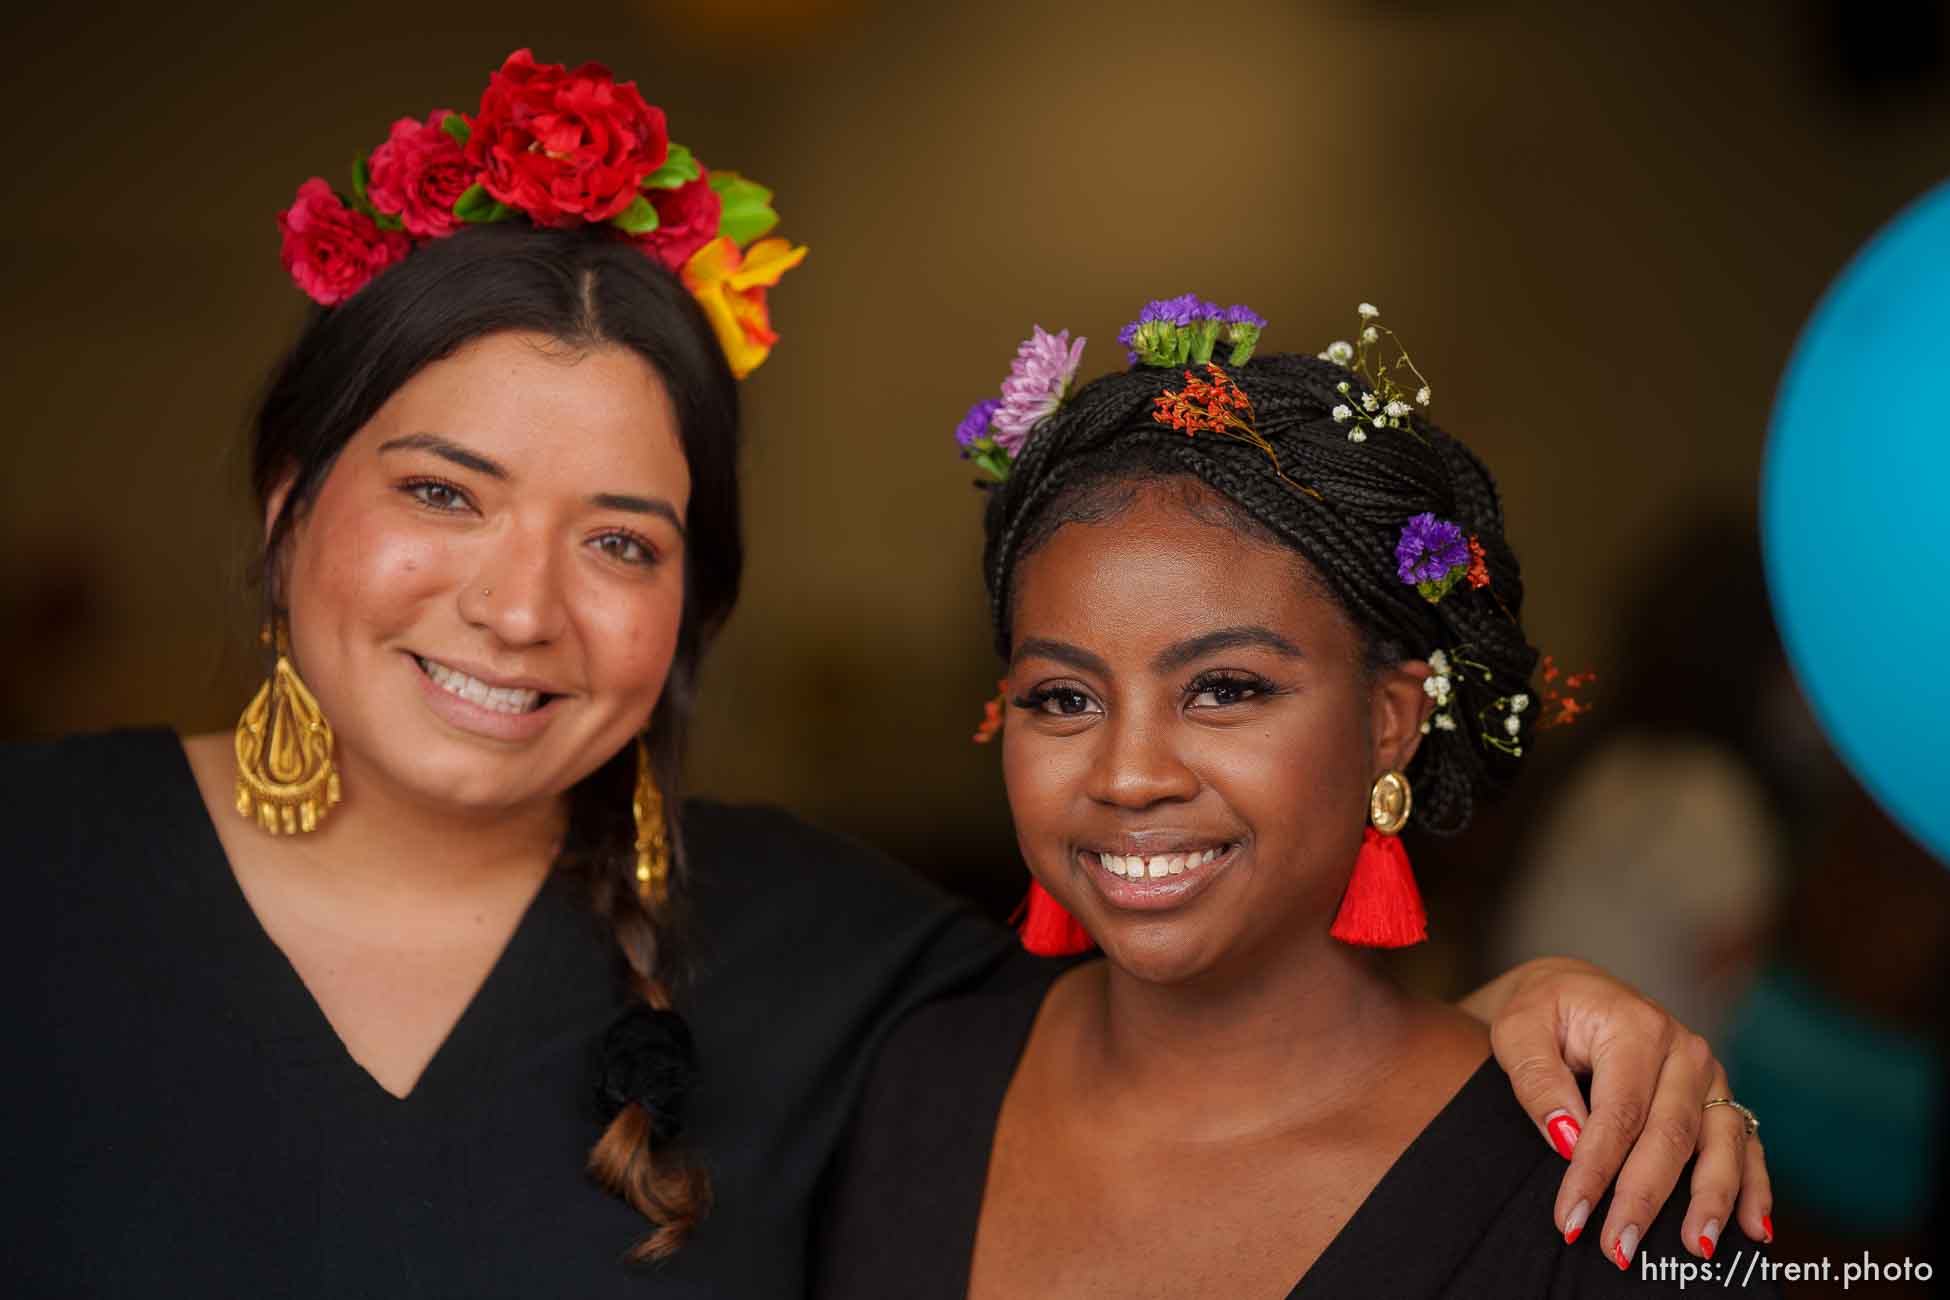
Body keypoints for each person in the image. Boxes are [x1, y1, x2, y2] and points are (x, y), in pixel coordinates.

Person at [2, 57, 1765, 1298]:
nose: (518, 605)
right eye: (444, 494)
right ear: (290, 497)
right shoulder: (35, 877)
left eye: (621, 539)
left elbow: (1228, 1029)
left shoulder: (829, 966)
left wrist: (1545, 1011)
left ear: (694, 614)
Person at [814, 303, 1778, 1297]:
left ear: (1391, 721)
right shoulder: (897, 1087)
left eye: (1226, 688)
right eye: (1065, 698)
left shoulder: (1609, 1199)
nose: (1127, 774)